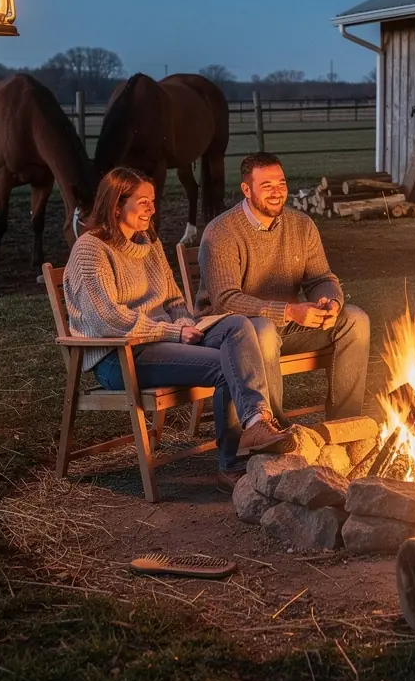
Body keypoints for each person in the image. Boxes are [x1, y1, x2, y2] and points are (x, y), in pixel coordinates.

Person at [62, 166, 290, 491]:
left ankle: (255, 421)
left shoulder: (148, 242)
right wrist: (173, 332)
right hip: (119, 356)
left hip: (163, 339)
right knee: (227, 367)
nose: (151, 209)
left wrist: (182, 322)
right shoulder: (91, 250)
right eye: (142, 202)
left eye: (152, 201)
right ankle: (232, 465)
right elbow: (106, 320)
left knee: (237, 325)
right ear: (115, 205)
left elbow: (173, 298)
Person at [197, 153, 370, 422]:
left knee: (355, 319)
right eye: (267, 186)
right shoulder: (222, 232)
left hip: (287, 326)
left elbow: (320, 277)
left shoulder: (301, 225)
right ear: (246, 189)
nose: (277, 193)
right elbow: (225, 300)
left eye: (281, 184)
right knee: (264, 331)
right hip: (235, 331)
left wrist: (330, 302)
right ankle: (273, 430)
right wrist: (288, 311)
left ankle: (344, 424)